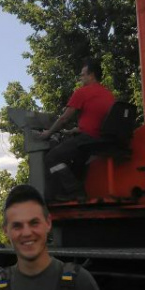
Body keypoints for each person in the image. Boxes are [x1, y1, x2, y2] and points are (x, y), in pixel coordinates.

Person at [38, 58, 116, 201]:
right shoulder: (108, 95)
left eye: (82, 75)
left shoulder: (82, 92)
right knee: (77, 158)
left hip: (87, 139)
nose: (80, 78)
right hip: (100, 139)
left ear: (91, 75)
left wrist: (49, 132)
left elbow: (64, 118)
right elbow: (99, 120)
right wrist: (76, 130)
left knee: (51, 158)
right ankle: (76, 191)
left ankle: (74, 191)